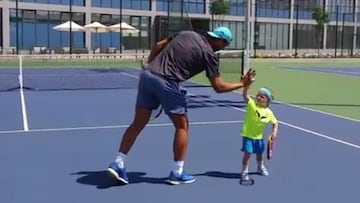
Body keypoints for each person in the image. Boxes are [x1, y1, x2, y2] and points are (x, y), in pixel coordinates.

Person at [107, 26, 256, 185]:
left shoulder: (186, 33)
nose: (223, 47)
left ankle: (118, 162)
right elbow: (218, 87)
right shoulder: (209, 55)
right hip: (168, 83)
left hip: (147, 76)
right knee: (182, 126)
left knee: (137, 124)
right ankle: (177, 172)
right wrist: (242, 83)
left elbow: (158, 45)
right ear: (219, 40)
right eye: (224, 44)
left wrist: (151, 66)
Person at [240, 83, 279, 181]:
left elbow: (275, 122)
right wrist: (247, 85)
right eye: (258, 95)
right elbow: (244, 95)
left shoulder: (269, 112)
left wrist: (274, 131)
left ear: (267, 100)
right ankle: (244, 171)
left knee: (259, 154)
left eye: (262, 96)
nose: (259, 97)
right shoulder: (251, 104)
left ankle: (260, 167)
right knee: (247, 154)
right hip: (248, 136)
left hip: (259, 138)